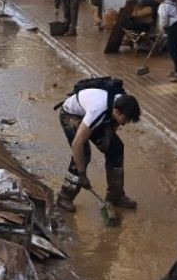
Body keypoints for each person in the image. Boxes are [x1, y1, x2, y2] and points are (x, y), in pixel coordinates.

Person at [55, 82, 141, 212]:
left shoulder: (121, 101)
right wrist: (82, 174)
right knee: (83, 153)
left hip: (95, 114)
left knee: (116, 148)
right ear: (117, 112)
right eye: (126, 119)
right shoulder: (98, 111)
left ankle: (115, 195)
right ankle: (65, 196)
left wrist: (108, 138)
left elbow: (116, 122)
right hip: (72, 115)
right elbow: (77, 144)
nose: (125, 123)